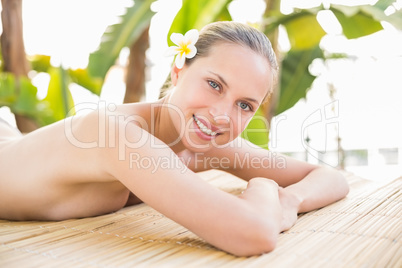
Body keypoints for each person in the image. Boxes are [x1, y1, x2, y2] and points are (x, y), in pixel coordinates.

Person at [0, 21, 349, 256]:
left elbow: (331, 178)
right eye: (214, 85)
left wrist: (290, 200)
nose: (221, 115)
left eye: (244, 105)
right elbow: (255, 231)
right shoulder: (118, 136)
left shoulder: (207, 143)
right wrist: (263, 186)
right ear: (178, 71)